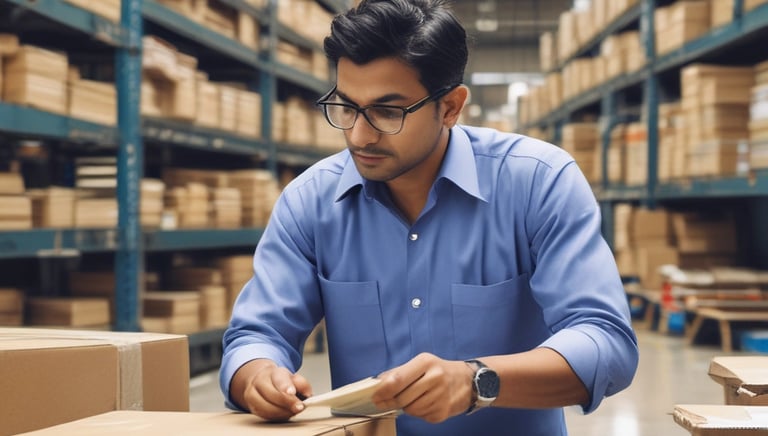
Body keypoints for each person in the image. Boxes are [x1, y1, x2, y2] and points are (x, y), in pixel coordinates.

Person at [220, 0, 639, 434]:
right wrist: (257, 374)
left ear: (451, 107)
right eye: (346, 107)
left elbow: (605, 341)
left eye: (387, 111)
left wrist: (478, 381)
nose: (359, 135)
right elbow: (256, 334)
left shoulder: (537, 182)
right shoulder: (309, 203)